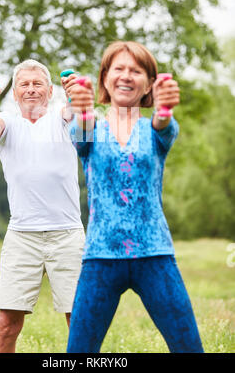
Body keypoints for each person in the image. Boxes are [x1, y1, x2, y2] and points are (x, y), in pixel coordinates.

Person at [61, 41, 204, 353]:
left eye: (136, 71)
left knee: (189, 348)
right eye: (119, 69)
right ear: (105, 79)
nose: (126, 76)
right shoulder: (90, 129)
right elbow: (80, 132)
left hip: (154, 255)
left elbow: (163, 123)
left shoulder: (156, 131)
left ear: (149, 85)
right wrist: (83, 111)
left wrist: (165, 108)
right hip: (101, 257)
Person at [0, 59, 85, 353]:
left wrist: (77, 95)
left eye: (37, 84)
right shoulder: (7, 123)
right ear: (14, 93)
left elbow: (77, 113)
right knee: (6, 326)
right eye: (24, 84)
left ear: (50, 91)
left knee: (80, 322)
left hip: (67, 235)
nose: (30, 89)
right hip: (22, 237)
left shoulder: (62, 118)